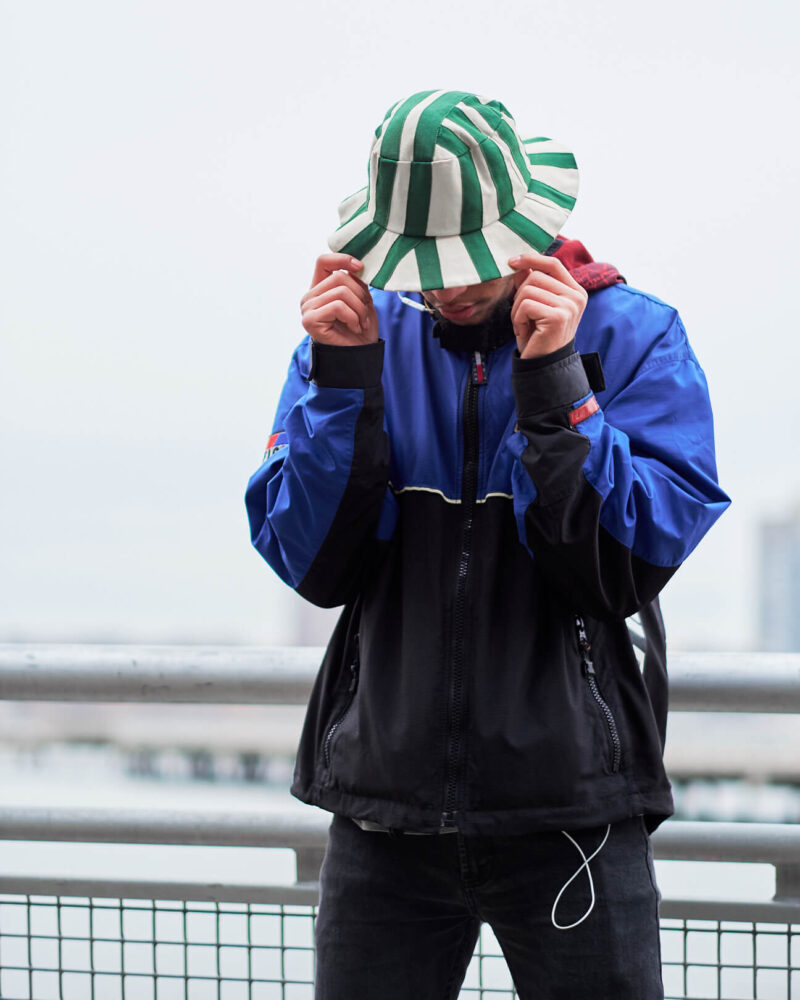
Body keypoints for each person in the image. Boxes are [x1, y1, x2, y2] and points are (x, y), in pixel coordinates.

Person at [245, 90, 730, 999]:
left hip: (573, 811)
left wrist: (555, 382)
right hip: (384, 814)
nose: (444, 284)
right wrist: (342, 382)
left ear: (523, 230)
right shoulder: (355, 337)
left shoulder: (631, 336)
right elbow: (313, 566)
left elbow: (619, 571)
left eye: (461, 258)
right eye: (421, 261)